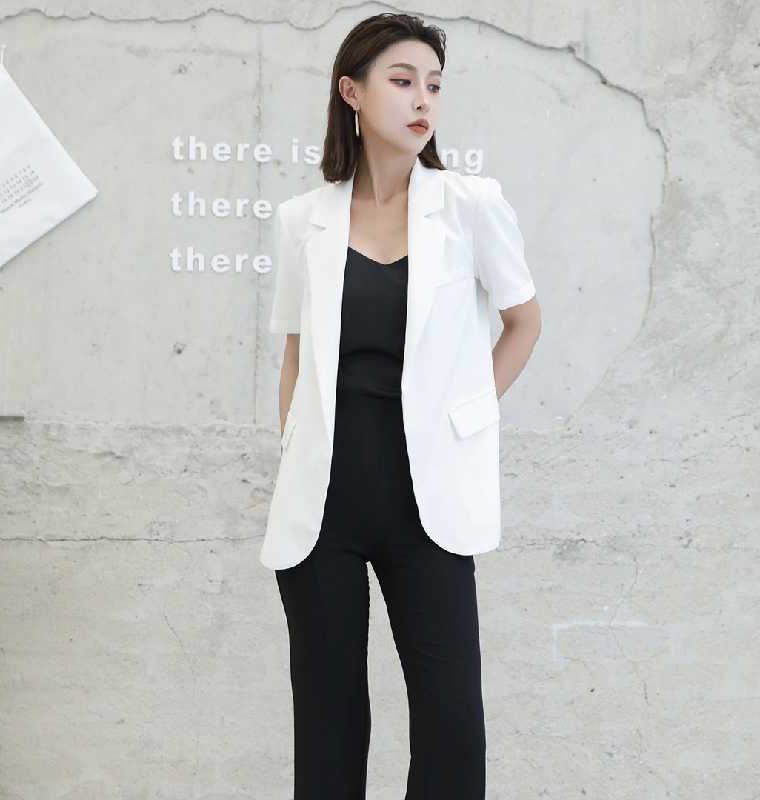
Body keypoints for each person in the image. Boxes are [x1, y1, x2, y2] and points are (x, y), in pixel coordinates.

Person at [263, 12, 542, 799]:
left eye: (434, 85)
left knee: (452, 724)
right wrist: (294, 454)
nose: (423, 99)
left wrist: (462, 418)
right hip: (324, 506)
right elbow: (295, 355)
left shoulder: (469, 205)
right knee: (328, 722)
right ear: (351, 93)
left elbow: (524, 323)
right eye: (403, 80)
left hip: (429, 501)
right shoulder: (302, 220)